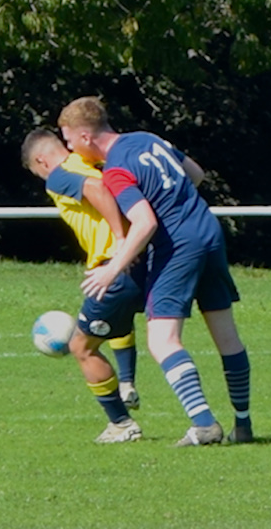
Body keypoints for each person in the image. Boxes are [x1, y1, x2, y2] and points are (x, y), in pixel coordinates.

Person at [61, 98, 255, 446]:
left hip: (178, 245)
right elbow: (196, 174)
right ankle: (243, 424)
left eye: (70, 140)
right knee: (227, 335)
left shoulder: (115, 169)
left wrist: (112, 269)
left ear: (86, 137)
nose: (71, 149)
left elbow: (145, 222)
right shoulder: (148, 138)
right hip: (208, 232)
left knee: (162, 340)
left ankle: (204, 425)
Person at [21, 128, 146, 442]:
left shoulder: (58, 175)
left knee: (81, 347)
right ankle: (130, 385)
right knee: (139, 330)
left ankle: (121, 424)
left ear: (41, 161)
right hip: (143, 260)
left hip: (116, 264)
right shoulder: (84, 161)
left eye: (37, 172)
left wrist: (120, 238)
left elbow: (98, 190)